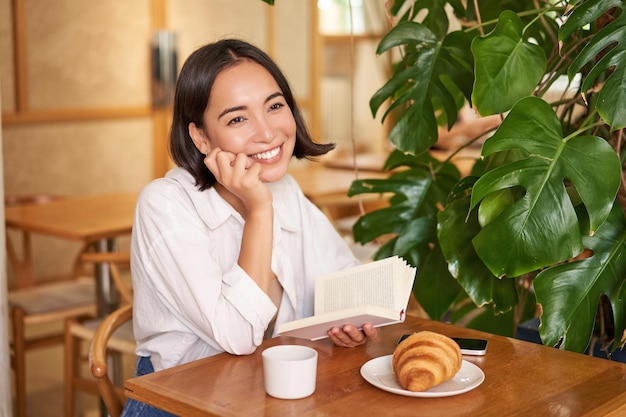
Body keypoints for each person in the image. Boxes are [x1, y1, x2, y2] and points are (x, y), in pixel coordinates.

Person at [121, 38, 378, 416]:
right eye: (238, 118)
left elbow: (342, 276)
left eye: (275, 106)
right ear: (201, 136)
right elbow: (237, 337)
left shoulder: (286, 189)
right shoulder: (165, 204)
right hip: (180, 402)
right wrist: (259, 210)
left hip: (267, 394)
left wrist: (348, 321)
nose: (267, 132)